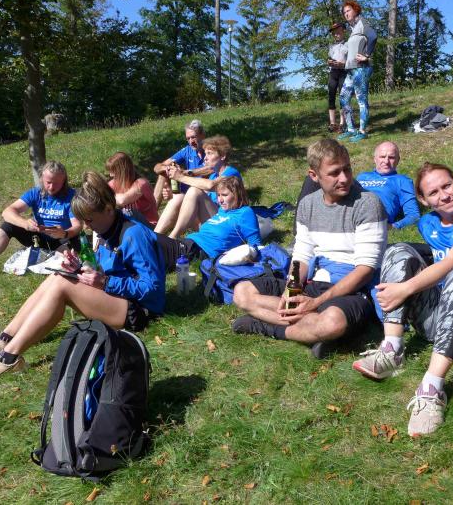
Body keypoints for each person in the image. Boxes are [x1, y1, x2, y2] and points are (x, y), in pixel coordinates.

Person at [353, 162, 453, 436]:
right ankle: (392, 349)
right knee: (397, 252)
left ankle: (431, 389)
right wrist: (405, 273)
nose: (444, 195)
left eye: (447, 186)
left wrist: (405, 289)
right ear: (424, 200)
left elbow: (451, 261)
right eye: (434, 192)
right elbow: (436, 256)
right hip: (445, 321)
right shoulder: (428, 223)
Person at [0, 172, 165, 384]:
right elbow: (113, 269)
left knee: (61, 285)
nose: (86, 227)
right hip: (118, 298)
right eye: (83, 221)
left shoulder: (134, 235)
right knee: (57, 276)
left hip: (141, 311)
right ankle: (4, 340)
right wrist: (79, 268)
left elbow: (153, 288)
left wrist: (105, 282)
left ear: (108, 209)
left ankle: (8, 358)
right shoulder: (107, 227)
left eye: (89, 220)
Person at [230, 139, 387, 359]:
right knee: (242, 292)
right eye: (334, 173)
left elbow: (365, 270)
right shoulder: (308, 205)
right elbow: (301, 256)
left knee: (332, 322)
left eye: (347, 169)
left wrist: (315, 303)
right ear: (314, 175)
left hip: (352, 291)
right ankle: (313, 330)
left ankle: (266, 325)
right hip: (314, 284)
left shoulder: (367, 204)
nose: (344, 178)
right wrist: (292, 290)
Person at [0, 160, 82, 285]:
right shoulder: (36, 193)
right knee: (8, 225)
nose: (51, 187)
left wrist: (64, 233)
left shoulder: (71, 196)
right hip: (38, 237)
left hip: (62, 240)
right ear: (42, 179)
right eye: (48, 182)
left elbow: (77, 226)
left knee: (73, 267)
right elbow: (7, 212)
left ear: (64, 181)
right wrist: (25, 224)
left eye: (56, 183)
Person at [159, 175, 261, 269]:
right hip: (187, 242)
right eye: (218, 195)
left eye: (224, 195)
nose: (220, 200)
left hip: (196, 250)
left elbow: (255, 246)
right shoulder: (222, 211)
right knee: (151, 240)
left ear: (236, 195)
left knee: (152, 245)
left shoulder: (245, 213)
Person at [155, 135, 241, 238]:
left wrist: (180, 177)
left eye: (209, 153)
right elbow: (201, 197)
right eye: (205, 153)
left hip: (225, 223)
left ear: (222, 156)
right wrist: (171, 196)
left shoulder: (231, 173)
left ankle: (171, 238)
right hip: (210, 219)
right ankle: (155, 237)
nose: (205, 158)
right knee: (179, 197)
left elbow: (210, 185)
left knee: (194, 191)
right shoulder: (214, 174)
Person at [336, 0, 377, 143]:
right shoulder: (353, 29)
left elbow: (373, 36)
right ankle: (351, 129)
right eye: (344, 12)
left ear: (355, 10)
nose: (346, 14)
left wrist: (367, 56)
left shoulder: (362, 23)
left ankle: (362, 131)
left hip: (361, 69)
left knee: (361, 100)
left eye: (348, 11)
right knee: (343, 98)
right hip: (351, 70)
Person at [356, 141, 420, 230]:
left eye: (391, 157)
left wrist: (394, 226)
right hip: (350, 211)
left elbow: (414, 215)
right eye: (382, 157)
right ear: (375, 159)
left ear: (398, 160)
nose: (386, 161)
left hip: (373, 216)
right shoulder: (362, 176)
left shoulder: (402, 180)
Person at [151, 119, 212, 207]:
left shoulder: (211, 150)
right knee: (162, 173)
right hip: (186, 188)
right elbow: (157, 168)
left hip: (201, 191)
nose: (191, 142)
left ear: (202, 135)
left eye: (193, 137)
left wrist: (184, 173)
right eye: (188, 138)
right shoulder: (187, 150)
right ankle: (152, 211)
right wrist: (168, 168)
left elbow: (211, 168)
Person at [106, 152, 159, 227]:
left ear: (123, 171)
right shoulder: (112, 184)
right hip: (129, 226)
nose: (111, 175)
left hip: (148, 226)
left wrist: (108, 196)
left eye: (113, 171)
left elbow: (122, 201)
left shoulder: (141, 184)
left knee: (131, 214)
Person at [326, 22, 348, 133]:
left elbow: (352, 62)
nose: (336, 34)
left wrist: (342, 64)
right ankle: (332, 123)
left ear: (343, 30)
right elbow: (330, 58)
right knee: (331, 96)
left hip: (343, 72)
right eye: (334, 33)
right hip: (333, 72)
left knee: (343, 97)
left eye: (338, 32)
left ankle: (342, 123)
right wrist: (329, 62)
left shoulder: (348, 44)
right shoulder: (332, 46)